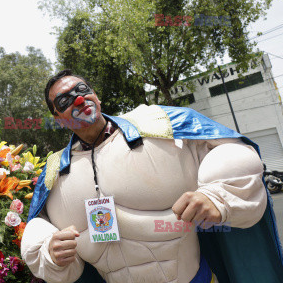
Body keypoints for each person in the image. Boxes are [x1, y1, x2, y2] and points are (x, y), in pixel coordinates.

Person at [21, 70, 283, 283]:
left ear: (96, 96)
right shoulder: (54, 174)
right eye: (65, 101)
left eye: (82, 90)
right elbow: (41, 229)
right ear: (57, 118)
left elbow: (232, 150)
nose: (79, 100)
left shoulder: (159, 125)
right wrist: (50, 252)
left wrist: (217, 195)